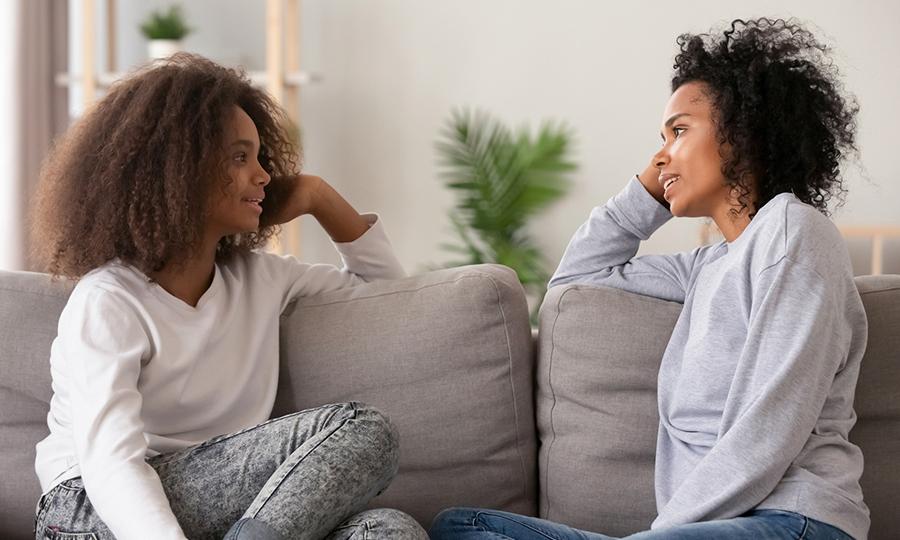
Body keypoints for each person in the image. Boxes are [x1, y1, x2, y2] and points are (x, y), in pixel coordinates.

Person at [430, 17, 868, 540]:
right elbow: (580, 276)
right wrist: (649, 189)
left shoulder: (796, 233)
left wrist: (663, 532)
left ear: (743, 133)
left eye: (679, 130)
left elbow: (770, 427)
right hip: (698, 530)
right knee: (462, 526)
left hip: (793, 519)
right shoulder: (706, 267)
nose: (661, 157)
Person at [30, 53, 427, 540]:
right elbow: (112, 464)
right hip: (92, 510)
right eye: (240, 157)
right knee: (366, 430)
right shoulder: (107, 300)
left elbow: (390, 299)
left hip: (223, 510)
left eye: (261, 157)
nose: (263, 175)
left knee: (389, 530)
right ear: (177, 171)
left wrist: (317, 196)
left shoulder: (262, 277)